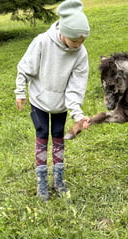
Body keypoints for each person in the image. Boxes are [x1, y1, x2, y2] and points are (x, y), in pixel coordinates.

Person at [14, 0, 90, 201]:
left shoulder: (80, 53)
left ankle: (58, 179)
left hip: (60, 104)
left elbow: (75, 88)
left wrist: (78, 114)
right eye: (75, 41)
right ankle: (41, 182)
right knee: (42, 135)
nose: (78, 45)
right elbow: (25, 67)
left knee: (58, 136)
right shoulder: (42, 42)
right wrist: (20, 91)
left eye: (82, 41)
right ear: (64, 32)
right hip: (39, 98)